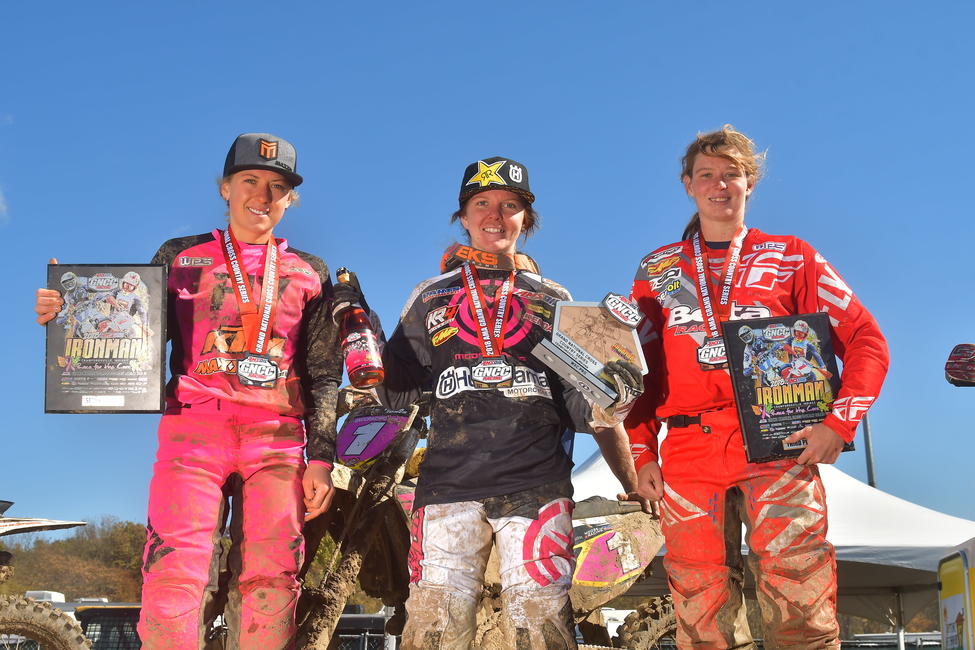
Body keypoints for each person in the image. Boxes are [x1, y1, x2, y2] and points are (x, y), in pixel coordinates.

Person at [35, 133, 342, 649]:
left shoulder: (310, 271)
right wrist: (66, 316)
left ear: (291, 199)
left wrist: (322, 457)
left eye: (277, 187)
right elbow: (134, 337)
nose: (262, 197)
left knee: (272, 577)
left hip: (279, 440)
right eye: (250, 181)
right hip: (193, 431)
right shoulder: (180, 256)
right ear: (225, 187)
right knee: (173, 570)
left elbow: (325, 370)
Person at [360, 156, 646, 649]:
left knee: (542, 627)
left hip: (535, 486)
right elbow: (396, 391)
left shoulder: (555, 298)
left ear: (525, 220)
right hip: (447, 487)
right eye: (482, 204)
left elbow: (583, 406)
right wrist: (361, 335)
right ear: (464, 216)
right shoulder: (429, 296)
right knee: (433, 629)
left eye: (510, 205)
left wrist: (613, 396)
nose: (495, 215)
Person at [624, 126, 889, 649]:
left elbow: (867, 340)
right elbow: (638, 370)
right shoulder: (657, 270)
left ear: (751, 183)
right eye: (707, 176)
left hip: (779, 446)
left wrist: (839, 422)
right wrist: (639, 450)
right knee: (701, 614)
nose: (719, 186)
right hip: (687, 453)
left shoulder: (793, 256)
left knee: (800, 601)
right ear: (688, 185)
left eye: (732, 175)